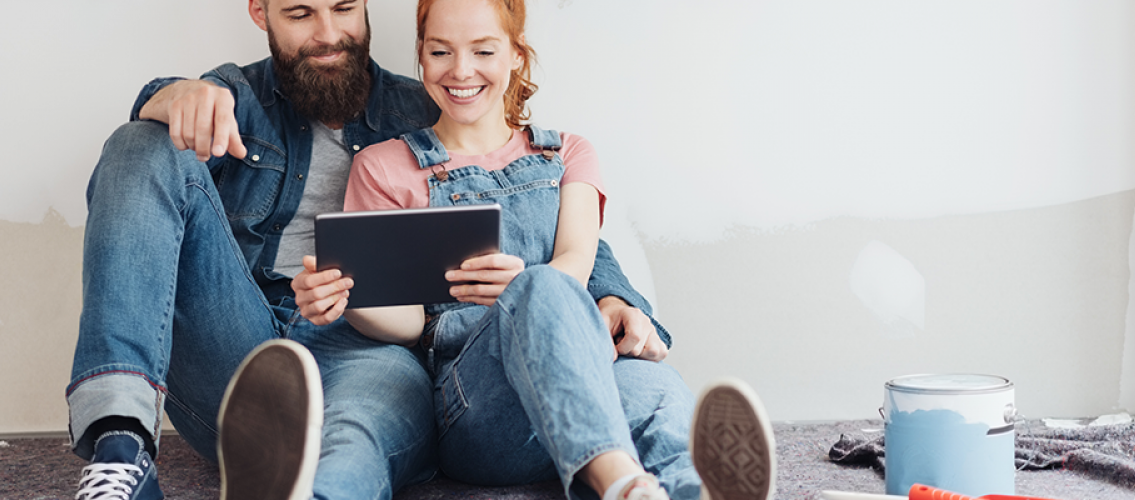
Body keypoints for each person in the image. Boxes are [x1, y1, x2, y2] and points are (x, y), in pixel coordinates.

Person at [67, 0, 677, 499]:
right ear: (261, 12)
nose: (328, 34)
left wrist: (619, 294)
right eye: (301, 13)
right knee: (140, 144)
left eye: (343, 8)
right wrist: (172, 94)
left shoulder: (433, 104)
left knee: (356, 436)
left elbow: (542, 207)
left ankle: (307, 487)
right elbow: (166, 110)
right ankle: (119, 445)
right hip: (240, 344)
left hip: (368, 347)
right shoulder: (233, 95)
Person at [289, 0, 777, 499]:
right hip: (478, 409)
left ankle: (691, 490)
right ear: (421, 54)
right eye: (440, 51)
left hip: (580, 381)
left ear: (516, 56)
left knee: (655, 389)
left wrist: (525, 289)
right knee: (540, 284)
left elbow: (576, 264)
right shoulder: (384, 167)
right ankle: (623, 484)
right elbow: (411, 323)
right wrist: (354, 297)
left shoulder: (569, 153)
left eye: (483, 50)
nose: (460, 70)